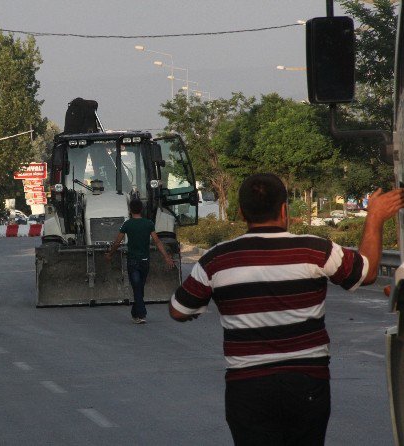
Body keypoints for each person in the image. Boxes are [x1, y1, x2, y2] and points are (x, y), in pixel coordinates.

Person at [169, 173, 404, 445]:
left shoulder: (216, 259)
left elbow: (178, 310)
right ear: (284, 209)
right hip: (306, 383)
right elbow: (367, 272)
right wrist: (374, 218)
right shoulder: (315, 249)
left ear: (242, 212)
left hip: (247, 387)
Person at [106, 198, 175, 324]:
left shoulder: (126, 224)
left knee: (138, 288)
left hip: (132, 261)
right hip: (145, 262)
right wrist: (166, 257)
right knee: (139, 287)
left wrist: (110, 254)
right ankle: (138, 313)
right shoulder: (148, 223)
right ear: (142, 209)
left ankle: (138, 314)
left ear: (130, 210)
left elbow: (117, 242)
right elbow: (157, 241)